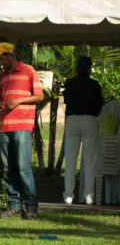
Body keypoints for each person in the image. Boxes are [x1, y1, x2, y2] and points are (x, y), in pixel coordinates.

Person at [0, 42, 43, 220]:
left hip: (22, 126)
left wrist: (18, 101)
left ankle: (31, 207)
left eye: (0, 58)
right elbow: (0, 103)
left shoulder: (28, 70)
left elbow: (39, 95)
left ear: (8, 54)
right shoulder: (2, 76)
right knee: (9, 168)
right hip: (4, 126)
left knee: (23, 167)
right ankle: (14, 206)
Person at [63, 56, 103, 205]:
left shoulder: (70, 83)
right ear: (89, 69)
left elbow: (67, 102)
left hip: (73, 120)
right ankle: (88, 196)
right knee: (89, 160)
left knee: (71, 160)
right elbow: (100, 105)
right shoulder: (95, 84)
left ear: (77, 68)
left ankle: (68, 195)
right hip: (90, 120)